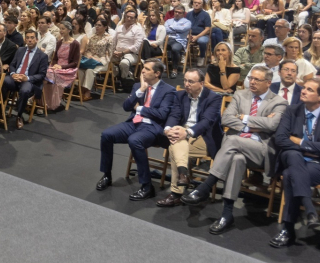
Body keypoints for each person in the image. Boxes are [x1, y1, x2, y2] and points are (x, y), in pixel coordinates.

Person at [181, 65, 288, 234]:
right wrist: (254, 125)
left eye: (256, 80)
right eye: (251, 78)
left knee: (231, 140)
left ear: (268, 83)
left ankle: (206, 186)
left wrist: (243, 117)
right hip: (238, 147)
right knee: (237, 157)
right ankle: (226, 214)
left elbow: (272, 124)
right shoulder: (240, 95)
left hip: (260, 150)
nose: (251, 82)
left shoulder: (279, 102)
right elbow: (226, 119)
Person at [96, 60, 177, 201]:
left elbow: (162, 114)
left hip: (152, 127)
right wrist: (141, 91)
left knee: (134, 141)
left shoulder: (168, 90)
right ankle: (107, 175)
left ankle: (147, 186)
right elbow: (127, 107)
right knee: (106, 135)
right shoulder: (137, 86)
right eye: (143, 68)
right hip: (133, 123)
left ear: (157, 73)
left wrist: (139, 108)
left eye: (147, 69)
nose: (143, 71)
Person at [156, 68, 223, 207]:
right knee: (177, 141)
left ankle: (177, 191)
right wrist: (168, 130)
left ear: (201, 83)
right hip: (183, 134)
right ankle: (182, 176)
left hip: (205, 136)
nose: (187, 84)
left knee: (174, 146)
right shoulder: (180, 95)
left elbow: (207, 122)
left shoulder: (214, 98)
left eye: (191, 82)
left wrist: (186, 132)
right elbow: (174, 115)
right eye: (185, 80)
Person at [269, 78, 320, 248]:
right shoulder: (292, 110)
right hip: (292, 156)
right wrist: (306, 148)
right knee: (292, 155)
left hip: (315, 164)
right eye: (304, 88)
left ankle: (287, 230)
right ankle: (309, 209)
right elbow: (280, 139)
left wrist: (301, 143)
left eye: (310, 90)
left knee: (290, 175)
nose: (303, 91)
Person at [2, 29, 48, 129]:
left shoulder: (42, 56)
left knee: (25, 90)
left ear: (36, 39)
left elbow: (42, 75)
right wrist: (13, 74)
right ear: (25, 39)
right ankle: (0, 109)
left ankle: (19, 115)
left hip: (28, 80)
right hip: (15, 78)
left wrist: (26, 78)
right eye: (27, 38)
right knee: (3, 81)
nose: (29, 40)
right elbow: (12, 65)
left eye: (32, 38)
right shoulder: (20, 50)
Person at [45, 22, 81, 112]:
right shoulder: (59, 42)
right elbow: (55, 58)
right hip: (56, 67)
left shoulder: (75, 44)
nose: (61, 31)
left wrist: (61, 67)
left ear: (69, 30)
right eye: (60, 29)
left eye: (63, 29)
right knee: (45, 72)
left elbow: (75, 63)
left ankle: (53, 103)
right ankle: (43, 101)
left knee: (53, 74)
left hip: (68, 68)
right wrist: (53, 66)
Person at [78, 18, 113, 101]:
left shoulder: (109, 38)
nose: (97, 27)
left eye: (99, 25)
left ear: (105, 27)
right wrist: (89, 56)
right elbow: (88, 50)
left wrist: (100, 59)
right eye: (96, 25)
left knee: (90, 70)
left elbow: (110, 53)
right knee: (80, 69)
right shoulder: (92, 37)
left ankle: (87, 92)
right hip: (91, 59)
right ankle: (79, 91)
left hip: (103, 61)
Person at [111, 8, 143, 82]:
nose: (128, 19)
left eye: (131, 18)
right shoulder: (119, 27)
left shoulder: (138, 29)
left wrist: (122, 53)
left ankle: (123, 81)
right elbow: (113, 41)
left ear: (135, 19)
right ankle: (118, 73)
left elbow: (136, 47)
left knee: (124, 63)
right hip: (117, 53)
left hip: (131, 54)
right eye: (127, 17)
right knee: (104, 59)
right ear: (124, 17)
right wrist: (112, 51)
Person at [165, 5, 191, 77]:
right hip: (168, 39)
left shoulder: (187, 22)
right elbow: (166, 30)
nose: (177, 13)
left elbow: (183, 29)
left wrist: (172, 27)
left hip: (179, 41)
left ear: (183, 14)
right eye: (176, 12)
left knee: (175, 49)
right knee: (157, 46)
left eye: (179, 13)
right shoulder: (168, 21)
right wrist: (178, 29)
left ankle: (174, 69)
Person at [186, 0, 212, 66]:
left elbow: (207, 29)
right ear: (192, 4)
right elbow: (185, 26)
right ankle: (184, 56)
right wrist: (188, 34)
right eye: (195, 3)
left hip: (202, 35)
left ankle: (202, 57)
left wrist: (197, 37)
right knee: (181, 39)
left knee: (202, 41)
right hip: (190, 34)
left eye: (199, 3)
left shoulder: (206, 15)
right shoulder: (188, 14)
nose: (196, 4)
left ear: (202, 5)